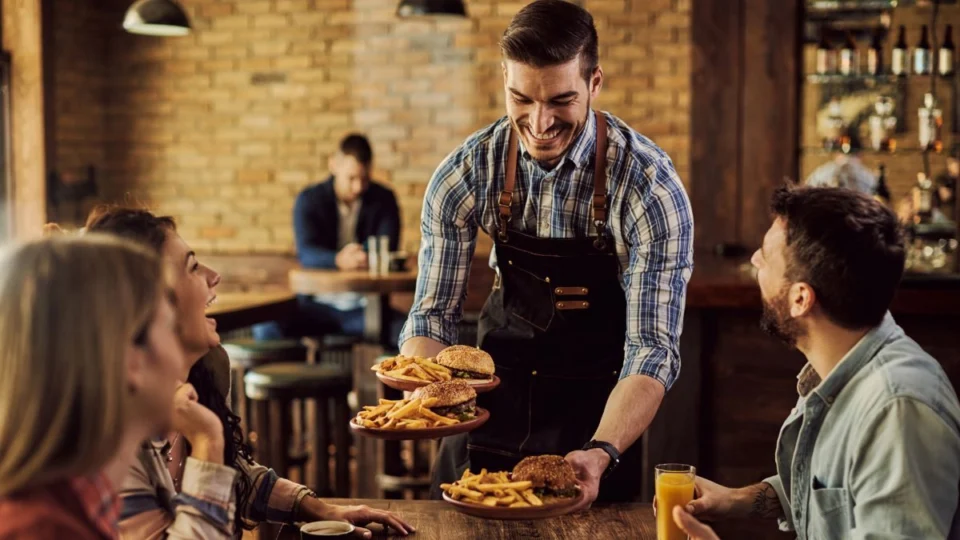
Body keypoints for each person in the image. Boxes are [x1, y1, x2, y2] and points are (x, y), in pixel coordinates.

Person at [400, 0, 694, 506]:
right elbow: (432, 317)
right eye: (522, 99)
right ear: (504, 81)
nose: (539, 122)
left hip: (597, 428)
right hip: (488, 417)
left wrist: (602, 451)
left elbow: (653, 349)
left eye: (561, 100)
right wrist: (427, 398)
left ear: (594, 83)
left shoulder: (648, 186)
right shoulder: (468, 172)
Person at [85, 207, 413, 539]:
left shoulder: (202, 376)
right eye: (193, 267)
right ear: (150, 304)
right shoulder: (109, 440)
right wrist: (208, 439)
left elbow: (236, 476)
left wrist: (322, 510)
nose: (214, 276)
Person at [685, 186, 960, 539]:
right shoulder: (841, 369)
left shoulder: (898, 409)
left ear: (800, 298)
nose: (754, 259)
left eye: (766, 256)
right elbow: (830, 491)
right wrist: (736, 500)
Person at [0, 235, 184, 539]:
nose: (179, 359)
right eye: (169, 327)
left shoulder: (69, 508)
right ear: (130, 358)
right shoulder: (44, 532)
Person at [253, 133, 405, 347]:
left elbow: (388, 247)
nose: (359, 187)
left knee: (409, 333)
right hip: (316, 305)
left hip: (366, 307)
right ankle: (304, 377)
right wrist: (338, 260)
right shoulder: (309, 199)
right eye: (351, 178)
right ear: (334, 166)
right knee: (266, 328)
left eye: (364, 179)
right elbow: (306, 252)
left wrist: (362, 258)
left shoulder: (384, 199)